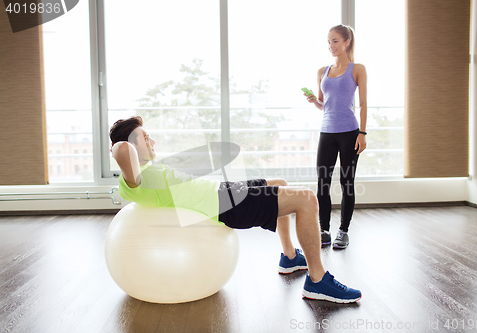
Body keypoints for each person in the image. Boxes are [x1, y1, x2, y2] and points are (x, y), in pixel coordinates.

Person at [109, 116, 362, 303]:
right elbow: (122, 150)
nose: (151, 140)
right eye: (144, 137)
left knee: (281, 183)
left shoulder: (150, 170)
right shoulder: (135, 180)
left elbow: (128, 149)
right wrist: (120, 143)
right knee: (307, 199)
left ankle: (289, 257)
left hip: (223, 190)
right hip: (224, 205)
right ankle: (317, 280)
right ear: (131, 145)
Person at [304, 24, 367, 249]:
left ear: (347, 42)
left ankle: (344, 231)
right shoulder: (323, 71)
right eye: (329, 42)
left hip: (350, 133)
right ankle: (324, 230)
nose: (331, 46)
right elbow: (324, 105)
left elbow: (363, 104)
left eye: (335, 41)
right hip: (327, 133)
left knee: (347, 183)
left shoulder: (357, 68)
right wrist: (315, 101)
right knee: (323, 183)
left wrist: (362, 133)